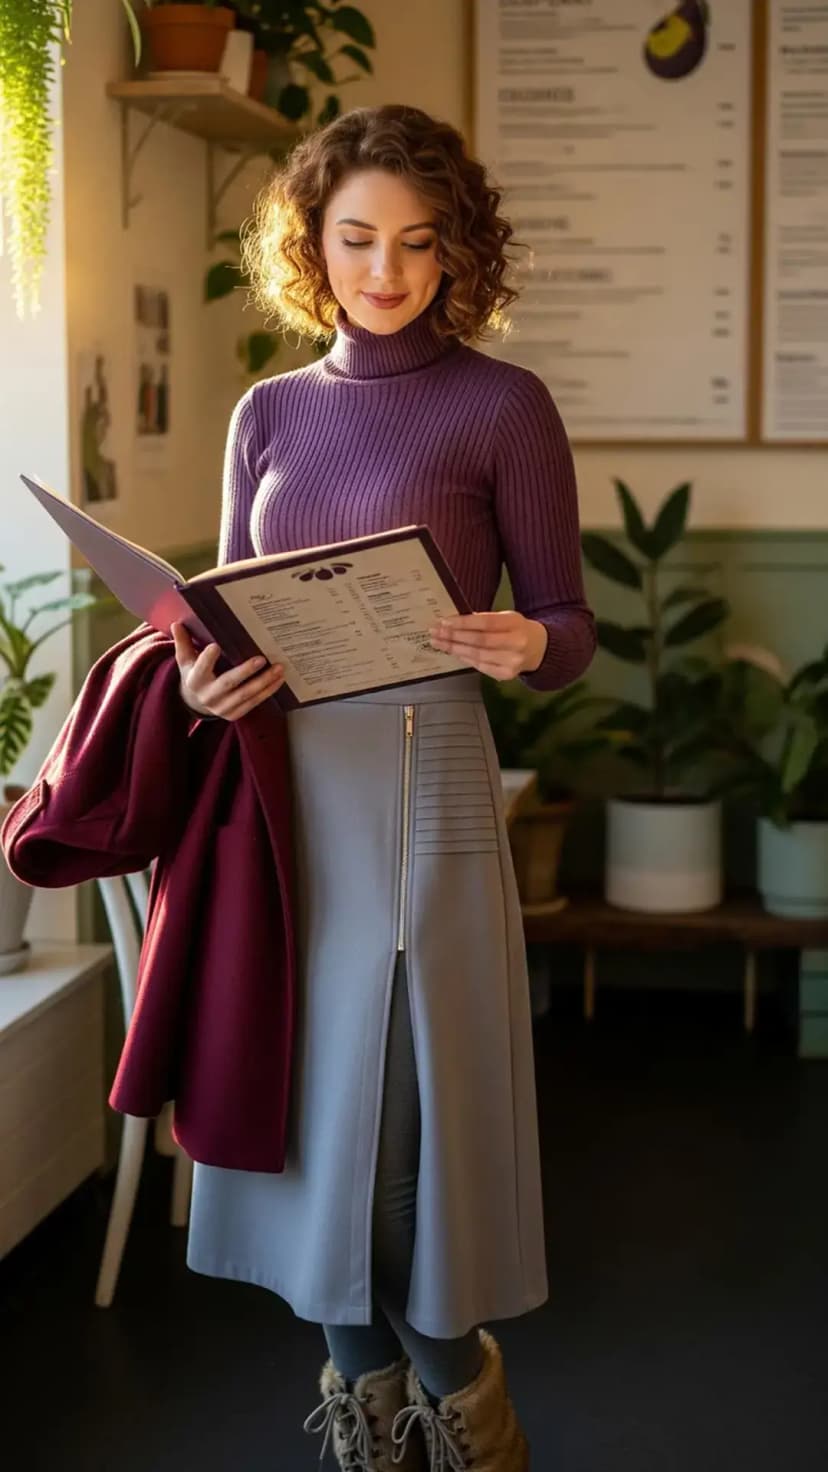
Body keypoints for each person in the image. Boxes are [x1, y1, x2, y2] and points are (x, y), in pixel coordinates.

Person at [171, 104, 596, 1472]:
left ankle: (464, 1404)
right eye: (356, 238)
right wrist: (198, 683)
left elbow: (569, 625)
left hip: (431, 780)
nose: (386, 270)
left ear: (457, 250)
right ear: (314, 243)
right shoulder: (267, 409)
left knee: (406, 1130)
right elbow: (226, 620)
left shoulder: (502, 403)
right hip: (284, 787)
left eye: (417, 243)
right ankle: (379, 1425)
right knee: (309, 1116)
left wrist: (534, 642)